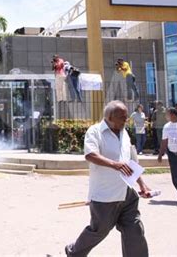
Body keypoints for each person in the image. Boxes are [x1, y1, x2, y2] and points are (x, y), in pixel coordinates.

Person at [65, 100, 151, 257]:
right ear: (110, 117)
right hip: (105, 195)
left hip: (128, 192)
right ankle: (73, 252)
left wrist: (142, 184)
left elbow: (131, 162)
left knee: (134, 230)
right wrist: (115, 165)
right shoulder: (95, 131)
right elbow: (90, 154)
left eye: (126, 116)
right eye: (122, 117)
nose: (126, 120)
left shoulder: (124, 133)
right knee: (99, 231)